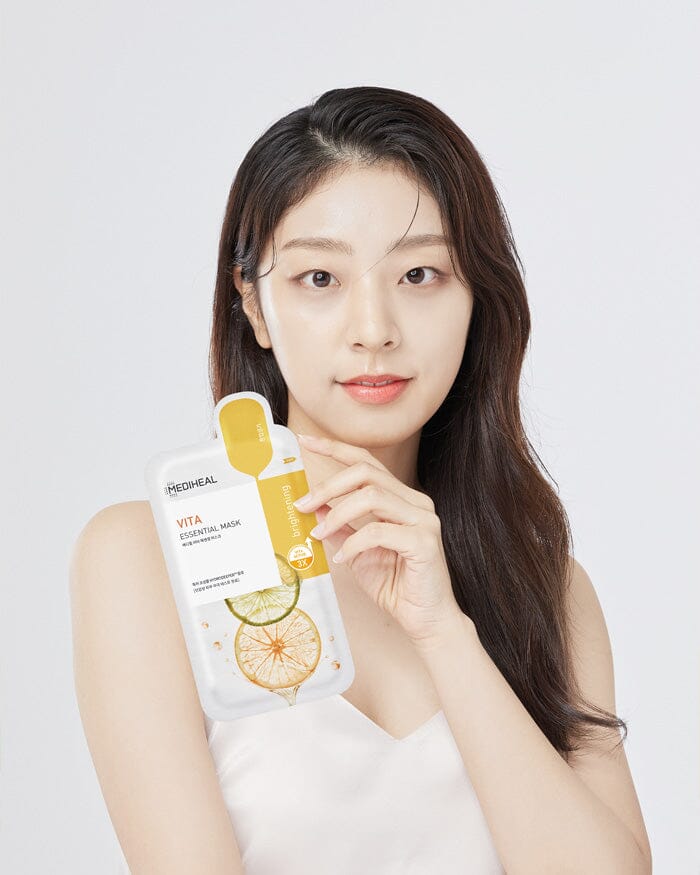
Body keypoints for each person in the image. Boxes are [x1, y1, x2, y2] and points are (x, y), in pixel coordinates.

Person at [69, 85, 652, 874]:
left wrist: (444, 631)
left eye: (420, 274)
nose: (374, 329)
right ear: (255, 306)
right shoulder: (146, 555)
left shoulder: (547, 586)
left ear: (477, 299)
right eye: (320, 278)